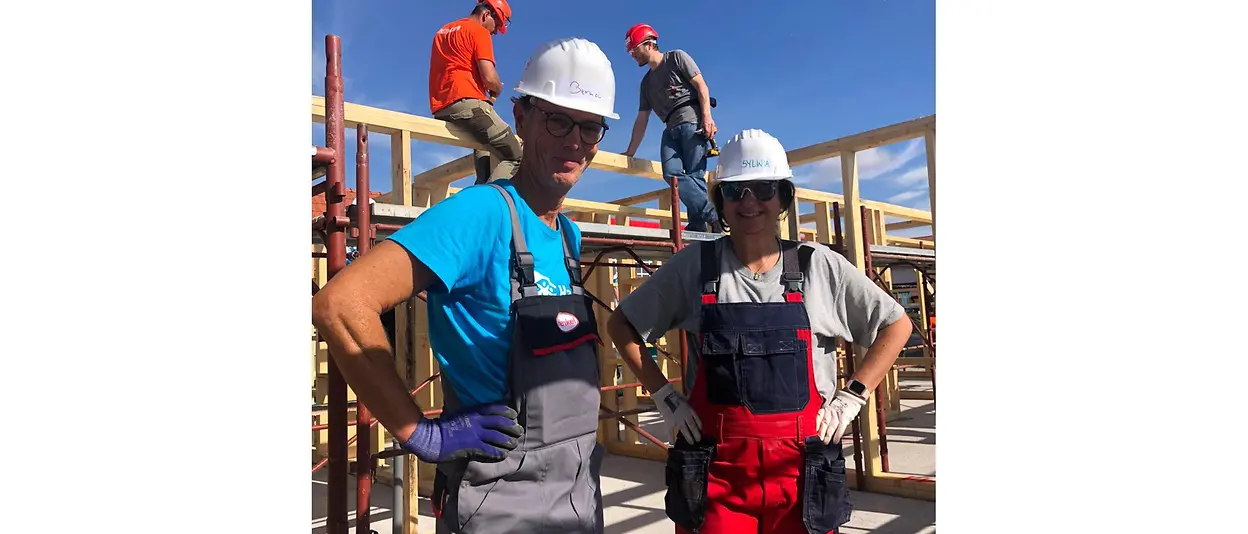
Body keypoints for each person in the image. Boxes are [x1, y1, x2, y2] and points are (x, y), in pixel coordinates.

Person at [312, 37, 621, 534]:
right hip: (501, 499)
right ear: (520, 118)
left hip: (579, 492)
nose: (574, 141)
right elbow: (341, 305)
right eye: (558, 120)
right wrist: (419, 433)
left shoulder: (567, 234)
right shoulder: (481, 213)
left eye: (589, 127)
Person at [605, 129, 913, 534]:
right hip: (715, 478)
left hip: (802, 477)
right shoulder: (695, 267)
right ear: (720, 201)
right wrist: (664, 395)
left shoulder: (818, 266)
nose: (749, 202)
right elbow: (621, 324)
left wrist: (852, 395)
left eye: (763, 189)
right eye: (735, 191)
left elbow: (896, 324)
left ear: (783, 197)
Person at [619, 23, 724, 233]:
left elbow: (701, 86)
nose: (633, 56)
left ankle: (698, 225)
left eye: (634, 50)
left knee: (695, 175)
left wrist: (707, 118)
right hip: (670, 127)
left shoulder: (676, 58)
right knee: (672, 174)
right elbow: (642, 119)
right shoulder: (646, 84)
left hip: (692, 122)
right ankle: (711, 216)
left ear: (649, 44)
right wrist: (630, 152)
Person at [428, 0, 521, 184]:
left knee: (485, 149)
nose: (495, 32)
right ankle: (487, 204)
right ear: (487, 15)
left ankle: (482, 187)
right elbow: (489, 77)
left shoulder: (443, 31)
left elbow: (456, 67)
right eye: (497, 26)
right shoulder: (478, 31)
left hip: (442, 106)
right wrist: (497, 87)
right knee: (515, 155)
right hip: (467, 104)